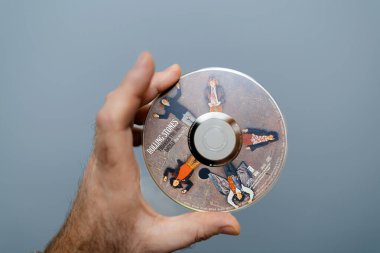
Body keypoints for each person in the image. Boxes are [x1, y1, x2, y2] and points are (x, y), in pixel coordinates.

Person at [44, 52, 240, 253]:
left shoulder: (183, 122)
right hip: (191, 139)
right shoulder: (182, 172)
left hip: (190, 123)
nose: (175, 181)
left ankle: (214, 90)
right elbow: (185, 176)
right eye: (175, 182)